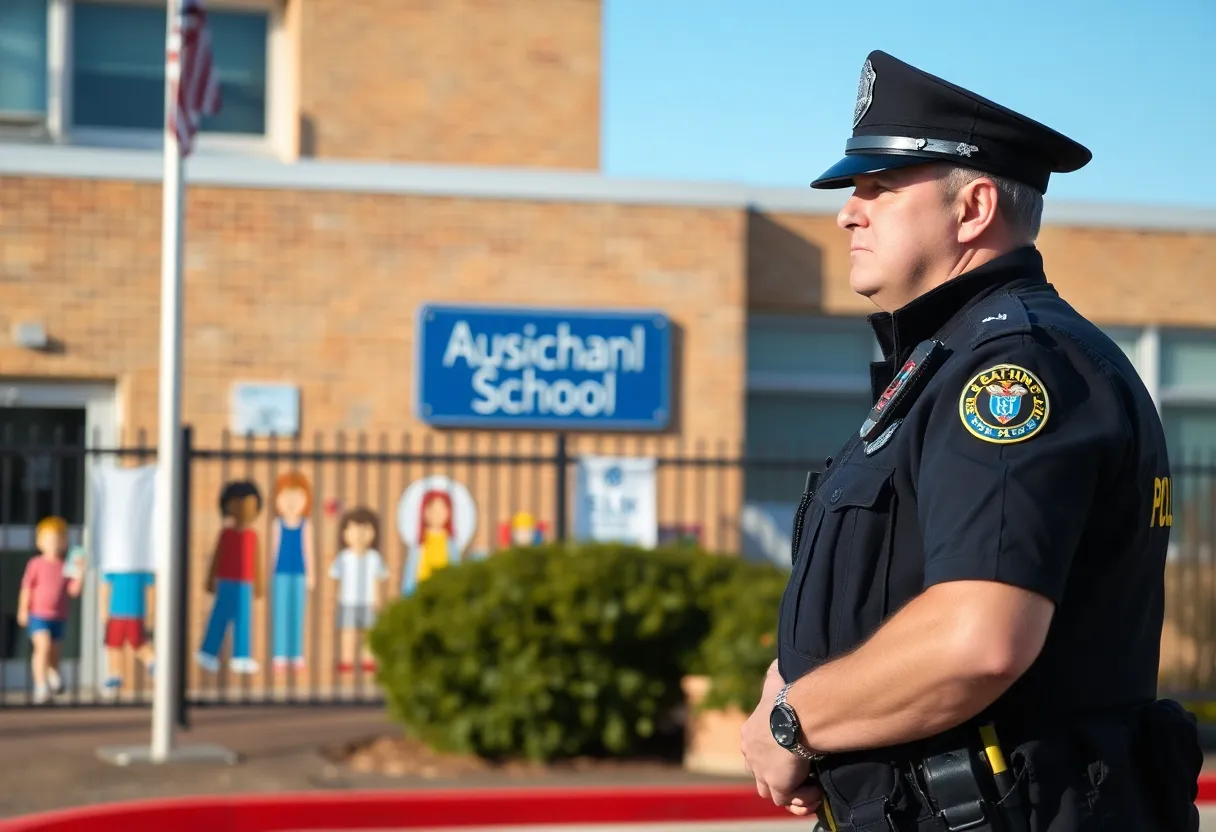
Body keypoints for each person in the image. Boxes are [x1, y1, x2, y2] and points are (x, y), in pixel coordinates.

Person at [739, 50, 1203, 831]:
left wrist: (796, 721)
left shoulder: (1012, 371)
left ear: (974, 207)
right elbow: (899, 584)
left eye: (878, 187)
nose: (849, 212)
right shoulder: (941, 366)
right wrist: (790, 676)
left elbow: (977, 640)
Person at [196, 480, 264, 675]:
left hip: (246, 583)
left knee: (244, 619)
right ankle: (207, 652)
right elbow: (216, 559)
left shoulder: (253, 536)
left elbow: (256, 563)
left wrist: (258, 586)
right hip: (225, 581)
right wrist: (210, 581)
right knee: (219, 616)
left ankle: (241, 656)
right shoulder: (225, 534)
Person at [16, 517, 83, 704]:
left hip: (59, 616)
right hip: (38, 614)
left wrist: (81, 573)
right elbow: (26, 588)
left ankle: (53, 674)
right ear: (40, 542)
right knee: (42, 646)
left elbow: (73, 591)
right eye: (49, 539)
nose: (54, 544)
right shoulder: (35, 564)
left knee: (54, 653)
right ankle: (40, 685)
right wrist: (23, 610)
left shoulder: (66, 566)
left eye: (58, 539)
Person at [330, 506, 389, 672]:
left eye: (365, 529)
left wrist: (378, 600)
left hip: (368, 601)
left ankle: (368, 659)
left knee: (368, 632)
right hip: (347, 600)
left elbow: (378, 580)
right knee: (347, 632)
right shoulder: (343, 557)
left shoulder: (374, 558)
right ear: (345, 532)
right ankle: (346, 660)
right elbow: (337, 579)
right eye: (354, 529)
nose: (359, 534)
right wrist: (336, 598)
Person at [269, 470, 314, 671]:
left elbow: (309, 550)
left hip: (300, 573)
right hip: (280, 574)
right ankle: (279, 654)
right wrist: (269, 574)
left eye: (297, 497)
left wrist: (312, 575)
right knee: (281, 614)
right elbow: (273, 550)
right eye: (286, 496)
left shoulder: (306, 525)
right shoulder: (277, 524)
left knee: (297, 614)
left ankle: (296, 654)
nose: (291, 502)